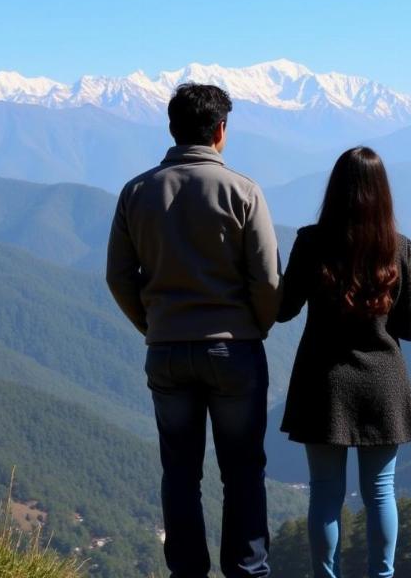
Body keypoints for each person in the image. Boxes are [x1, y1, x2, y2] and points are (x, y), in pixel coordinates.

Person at [106, 82, 282, 578]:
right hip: (234, 351)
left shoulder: (136, 191)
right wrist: (256, 325)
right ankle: (247, 570)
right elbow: (267, 278)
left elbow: (118, 277)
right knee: (243, 470)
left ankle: (187, 572)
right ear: (221, 131)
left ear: (171, 127)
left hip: (166, 350)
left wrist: (152, 324)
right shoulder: (244, 191)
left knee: (180, 473)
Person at [277, 146, 411, 578]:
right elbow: (410, 327)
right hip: (383, 382)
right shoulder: (399, 248)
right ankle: (382, 575)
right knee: (380, 492)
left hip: (323, 383)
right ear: (383, 193)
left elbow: (284, 309)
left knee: (325, 491)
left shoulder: (311, 241)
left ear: (335, 190)